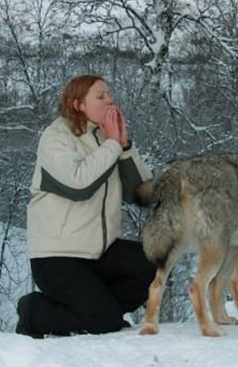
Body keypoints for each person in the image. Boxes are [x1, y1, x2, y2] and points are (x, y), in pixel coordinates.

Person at [15, 74, 155, 338]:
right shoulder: (55, 138)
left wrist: (124, 146)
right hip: (58, 257)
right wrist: (113, 145)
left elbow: (142, 193)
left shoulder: (107, 139)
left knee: (153, 260)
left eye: (109, 93)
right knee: (104, 322)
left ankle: (100, 313)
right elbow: (78, 185)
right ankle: (34, 310)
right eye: (100, 96)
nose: (110, 100)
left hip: (100, 252)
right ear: (78, 104)